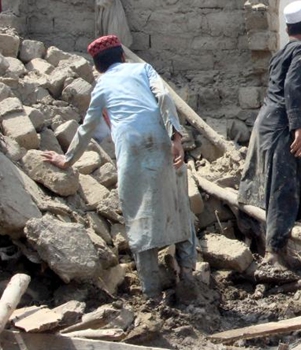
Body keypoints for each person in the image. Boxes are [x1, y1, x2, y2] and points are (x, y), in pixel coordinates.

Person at [43, 35, 197, 300]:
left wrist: (66, 160)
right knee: (178, 204)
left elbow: (87, 127)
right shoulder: (142, 68)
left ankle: (151, 294)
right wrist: (176, 137)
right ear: (123, 56)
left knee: (137, 213)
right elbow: (163, 95)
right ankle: (187, 273)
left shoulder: (101, 85)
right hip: (159, 138)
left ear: (98, 66)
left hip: (130, 148)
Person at [238, 0, 301, 267]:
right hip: (282, 124)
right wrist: (299, 127)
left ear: (287, 28)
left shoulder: (281, 54)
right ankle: (274, 254)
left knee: (269, 185)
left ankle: (273, 248)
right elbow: (293, 90)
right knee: (284, 187)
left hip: (266, 121)